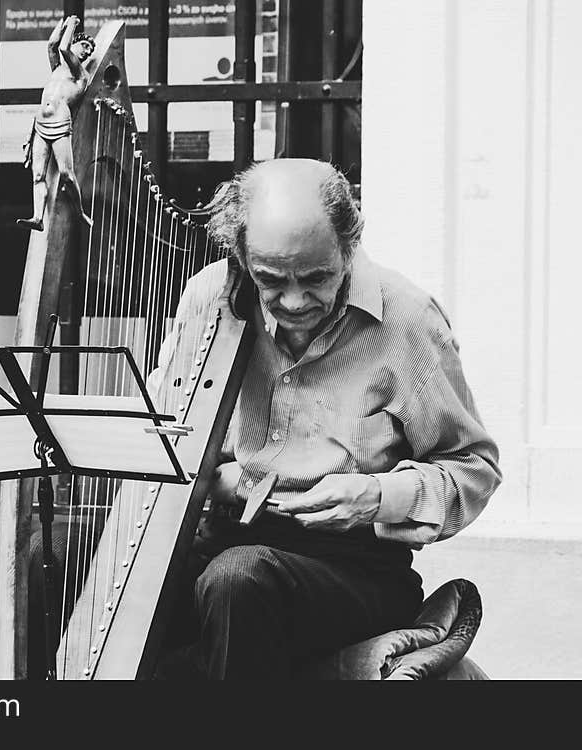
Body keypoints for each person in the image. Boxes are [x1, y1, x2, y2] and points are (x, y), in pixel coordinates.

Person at [27, 158, 502, 680]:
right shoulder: (212, 299)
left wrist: (376, 496)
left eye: (317, 277)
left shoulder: (407, 321)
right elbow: (162, 438)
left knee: (238, 581)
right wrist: (215, 482)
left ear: (348, 246)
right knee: (50, 562)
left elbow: (473, 469)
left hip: (351, 568)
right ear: (241, 255)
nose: (294, 300)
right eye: (271, 280)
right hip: (214, 539)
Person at [17, 15, 95, 232]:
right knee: (38, 175)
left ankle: (79, 212)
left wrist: (72, 25)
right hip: (41, 122)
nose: (87, 52)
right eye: (85, 46)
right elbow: (52, 45)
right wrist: (62, 24)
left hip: (60, 121)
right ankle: (38, 217)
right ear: (76, 42)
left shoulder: (81, 74)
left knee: (67, 175)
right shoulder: (57, 70)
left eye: (90, 50)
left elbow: (62, 48)